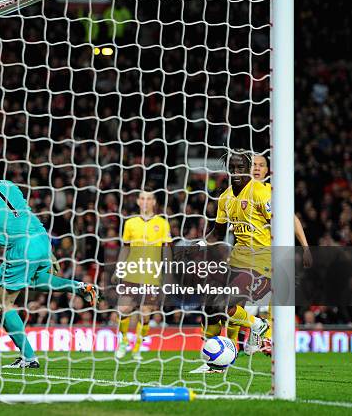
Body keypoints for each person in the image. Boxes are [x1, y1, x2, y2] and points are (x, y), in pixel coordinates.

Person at [0, 168, 98, 369]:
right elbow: (26, 212)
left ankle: (28, 358)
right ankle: (77, 287)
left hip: (22, 247)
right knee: (34, 279)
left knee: (1, 303)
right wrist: (49, 253)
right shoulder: (8, 184)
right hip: (42, 238)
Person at [191, 150, 272, 373]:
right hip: (237, 260)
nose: (236, 173)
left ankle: (259, 324)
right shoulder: (225, 197)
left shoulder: (260, 192)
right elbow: (217, 232)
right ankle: (214, 363)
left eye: (241, 168)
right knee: (211, 309)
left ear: (248, 170)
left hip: (261, 260)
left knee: (224, 305)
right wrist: (199, 245)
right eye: (232, 168)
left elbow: (277, 224)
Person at [114, 191, 172, 361]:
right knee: (123, 309)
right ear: (138, 201)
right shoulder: (130, 223)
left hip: (152, 274)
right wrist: (119, 267)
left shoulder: (162, 223)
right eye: (142, 198)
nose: (145, 202)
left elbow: (166, 249)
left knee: (145, 313)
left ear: (153, 202)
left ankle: (137, 348)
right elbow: (125, 248)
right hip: (132, 272)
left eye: (149, 199)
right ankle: (124, 341)